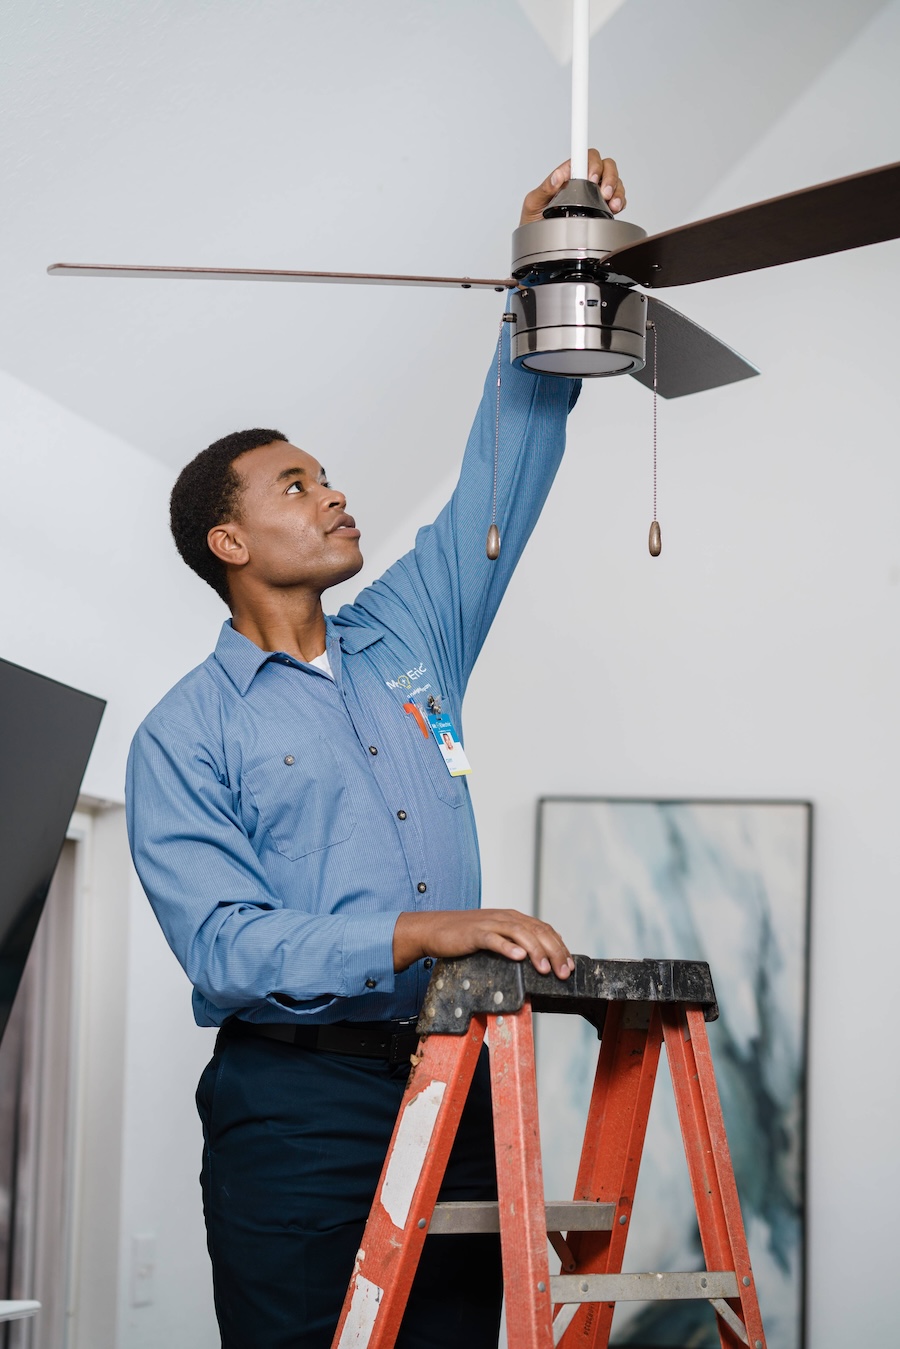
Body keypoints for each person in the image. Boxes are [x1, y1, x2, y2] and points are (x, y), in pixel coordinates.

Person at [126, 150, 627, 1349]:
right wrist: (419, 931)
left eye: (329, 477)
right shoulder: (183, 734)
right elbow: (227, 946)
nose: (334, 494)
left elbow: (499, 478)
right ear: (230, 541)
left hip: (457, 1077)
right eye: (296, 486)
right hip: (294, 1105)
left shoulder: (409, 638)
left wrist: (542, 276)